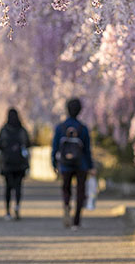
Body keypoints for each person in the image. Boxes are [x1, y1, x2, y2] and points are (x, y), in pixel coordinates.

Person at [51, 97, 94, 230]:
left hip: (65, 164)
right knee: (80, 191)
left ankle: (66, 204)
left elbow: (55, 148)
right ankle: (76, 221)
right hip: (81, 164)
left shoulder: (60, 128)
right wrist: (91, 166)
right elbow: (87, 150)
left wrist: (53, 163)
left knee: (66, 188)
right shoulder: (83, 128)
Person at [0, 108, 31, 221]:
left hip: (7, 163)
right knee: (18, 187)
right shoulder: (22, 130)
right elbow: (28, 143)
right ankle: (17, 206)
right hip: (20, 163)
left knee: (8, 187)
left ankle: (7, 211)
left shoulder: (4, 130)